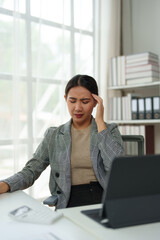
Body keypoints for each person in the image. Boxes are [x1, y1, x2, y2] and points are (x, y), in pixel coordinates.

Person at [0, 74, 124, 209]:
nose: (77, 108)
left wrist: (100, 122)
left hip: (102, 199)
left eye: (85, 101)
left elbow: (118, 170)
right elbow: (31, 170)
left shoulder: (109, 130)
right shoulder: (54, 135)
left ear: (95, 102)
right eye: (72, 101)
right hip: (69, 200)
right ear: (65, 99)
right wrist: (5, 184)